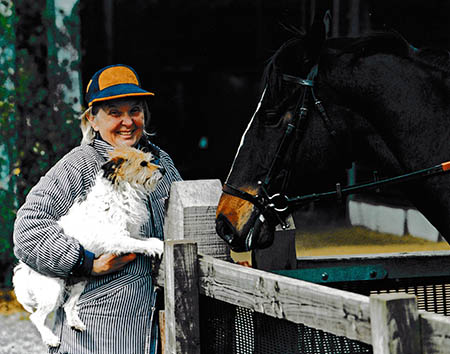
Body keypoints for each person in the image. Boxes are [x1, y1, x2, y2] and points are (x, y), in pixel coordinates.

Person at [13, 64, 182, 353]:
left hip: (161, 330)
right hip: (97, 335)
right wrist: (85, 262)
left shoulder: (160, 162)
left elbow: (187, 216)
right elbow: (28, 230)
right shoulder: (79, 164)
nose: (127, 121)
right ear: (93, 119)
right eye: (114, 113)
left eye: (135, 110)